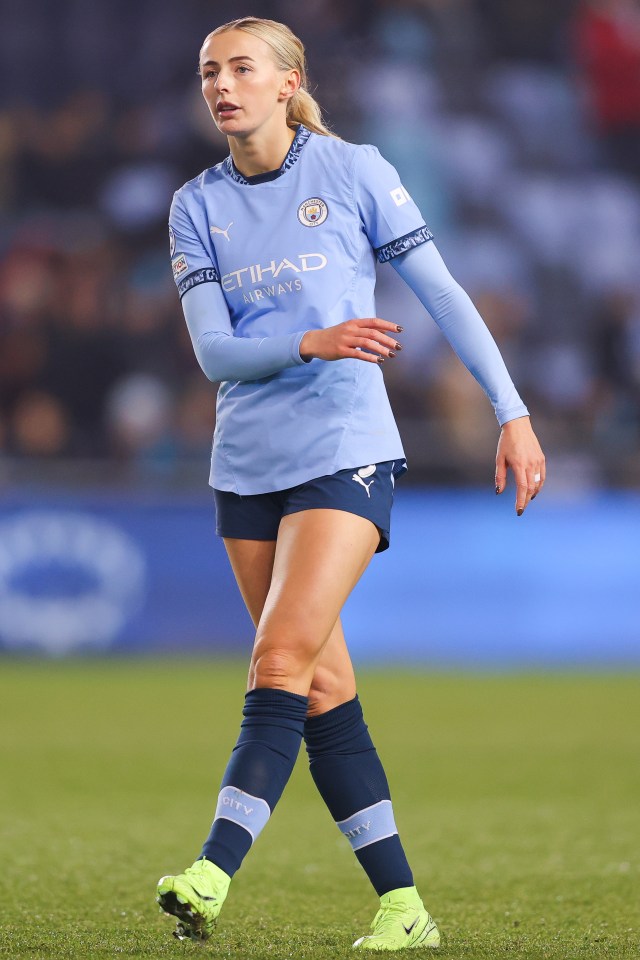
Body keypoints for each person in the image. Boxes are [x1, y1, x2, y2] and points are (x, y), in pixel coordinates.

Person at [156, 16, 545, 951]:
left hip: (346, 446)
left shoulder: (354, 170)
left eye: (243, 68)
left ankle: (209, 874)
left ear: (291, 82)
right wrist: (310, 339)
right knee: (323, 686)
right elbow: (216, 352)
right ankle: (404, 908)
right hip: (246, 465)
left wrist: (511, 409)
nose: (223, 85)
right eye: (211, 70)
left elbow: (444, 291)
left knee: (277, 663)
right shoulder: (194, 204)